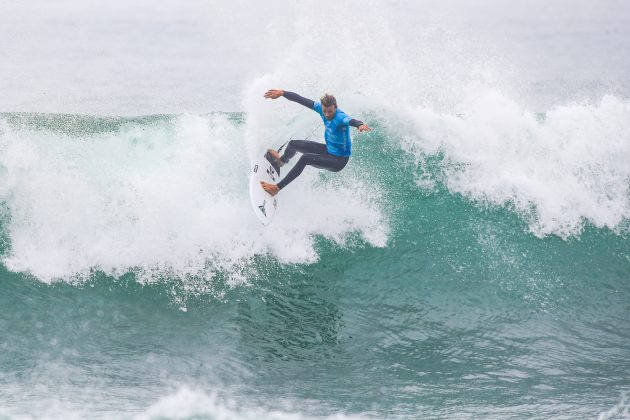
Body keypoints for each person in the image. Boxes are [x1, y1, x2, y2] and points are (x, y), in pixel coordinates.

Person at [260, 89, 371, 196]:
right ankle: (281, 161)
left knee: (305, 158)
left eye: (330, 111)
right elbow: (300, 99)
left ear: (335, 108)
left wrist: (359, 125)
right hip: (328, 150)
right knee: (293, 144)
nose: (327, 114)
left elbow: (352, 121)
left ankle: (277, 188)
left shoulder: (341, 117)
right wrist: (282, 93)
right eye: (325, 111)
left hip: (338, 161)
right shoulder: (320, 108)